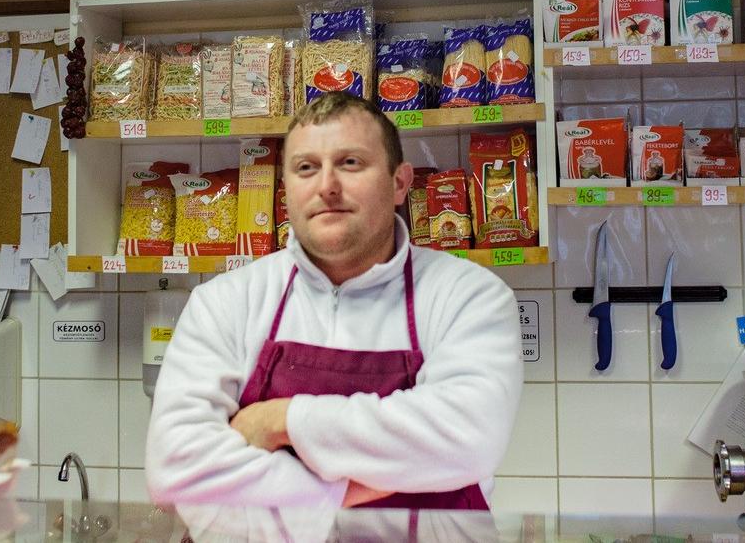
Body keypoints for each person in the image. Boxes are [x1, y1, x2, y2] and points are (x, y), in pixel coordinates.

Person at [146, 93, 522, 510]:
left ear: (400, 182)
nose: (327, 186)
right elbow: (175, 472)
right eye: (306, 168)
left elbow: (466, 439)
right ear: (285, 189)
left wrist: (281, 420)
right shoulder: (226, 301)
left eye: (350, 163)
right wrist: (337, 492)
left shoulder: (469, 296)